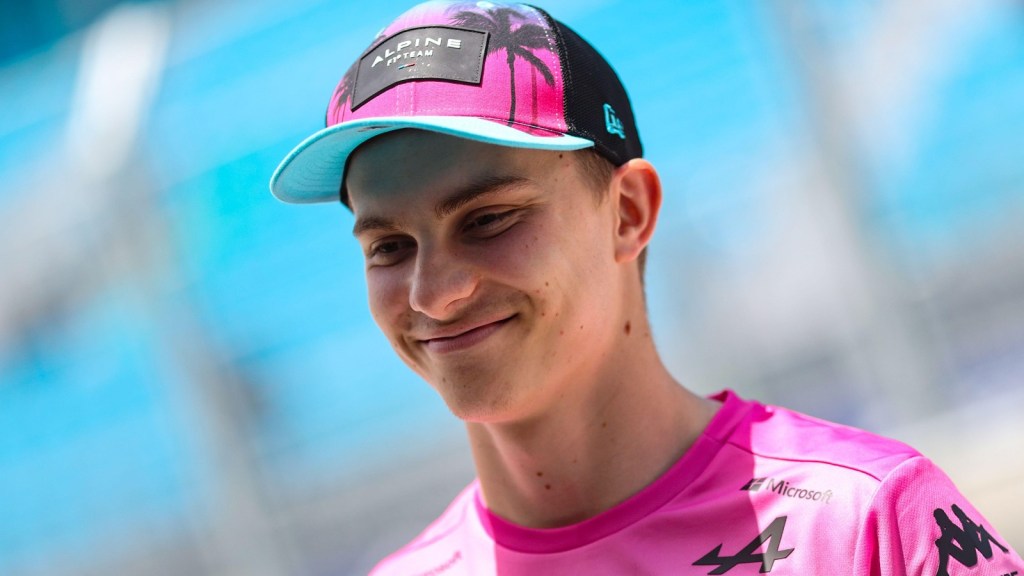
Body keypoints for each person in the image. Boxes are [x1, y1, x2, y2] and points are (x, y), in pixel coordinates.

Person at [270, 1, 1023, 574]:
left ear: (628, 212)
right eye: (389, 247)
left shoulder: (865, 523)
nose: (432, 293)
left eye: (488, 220)